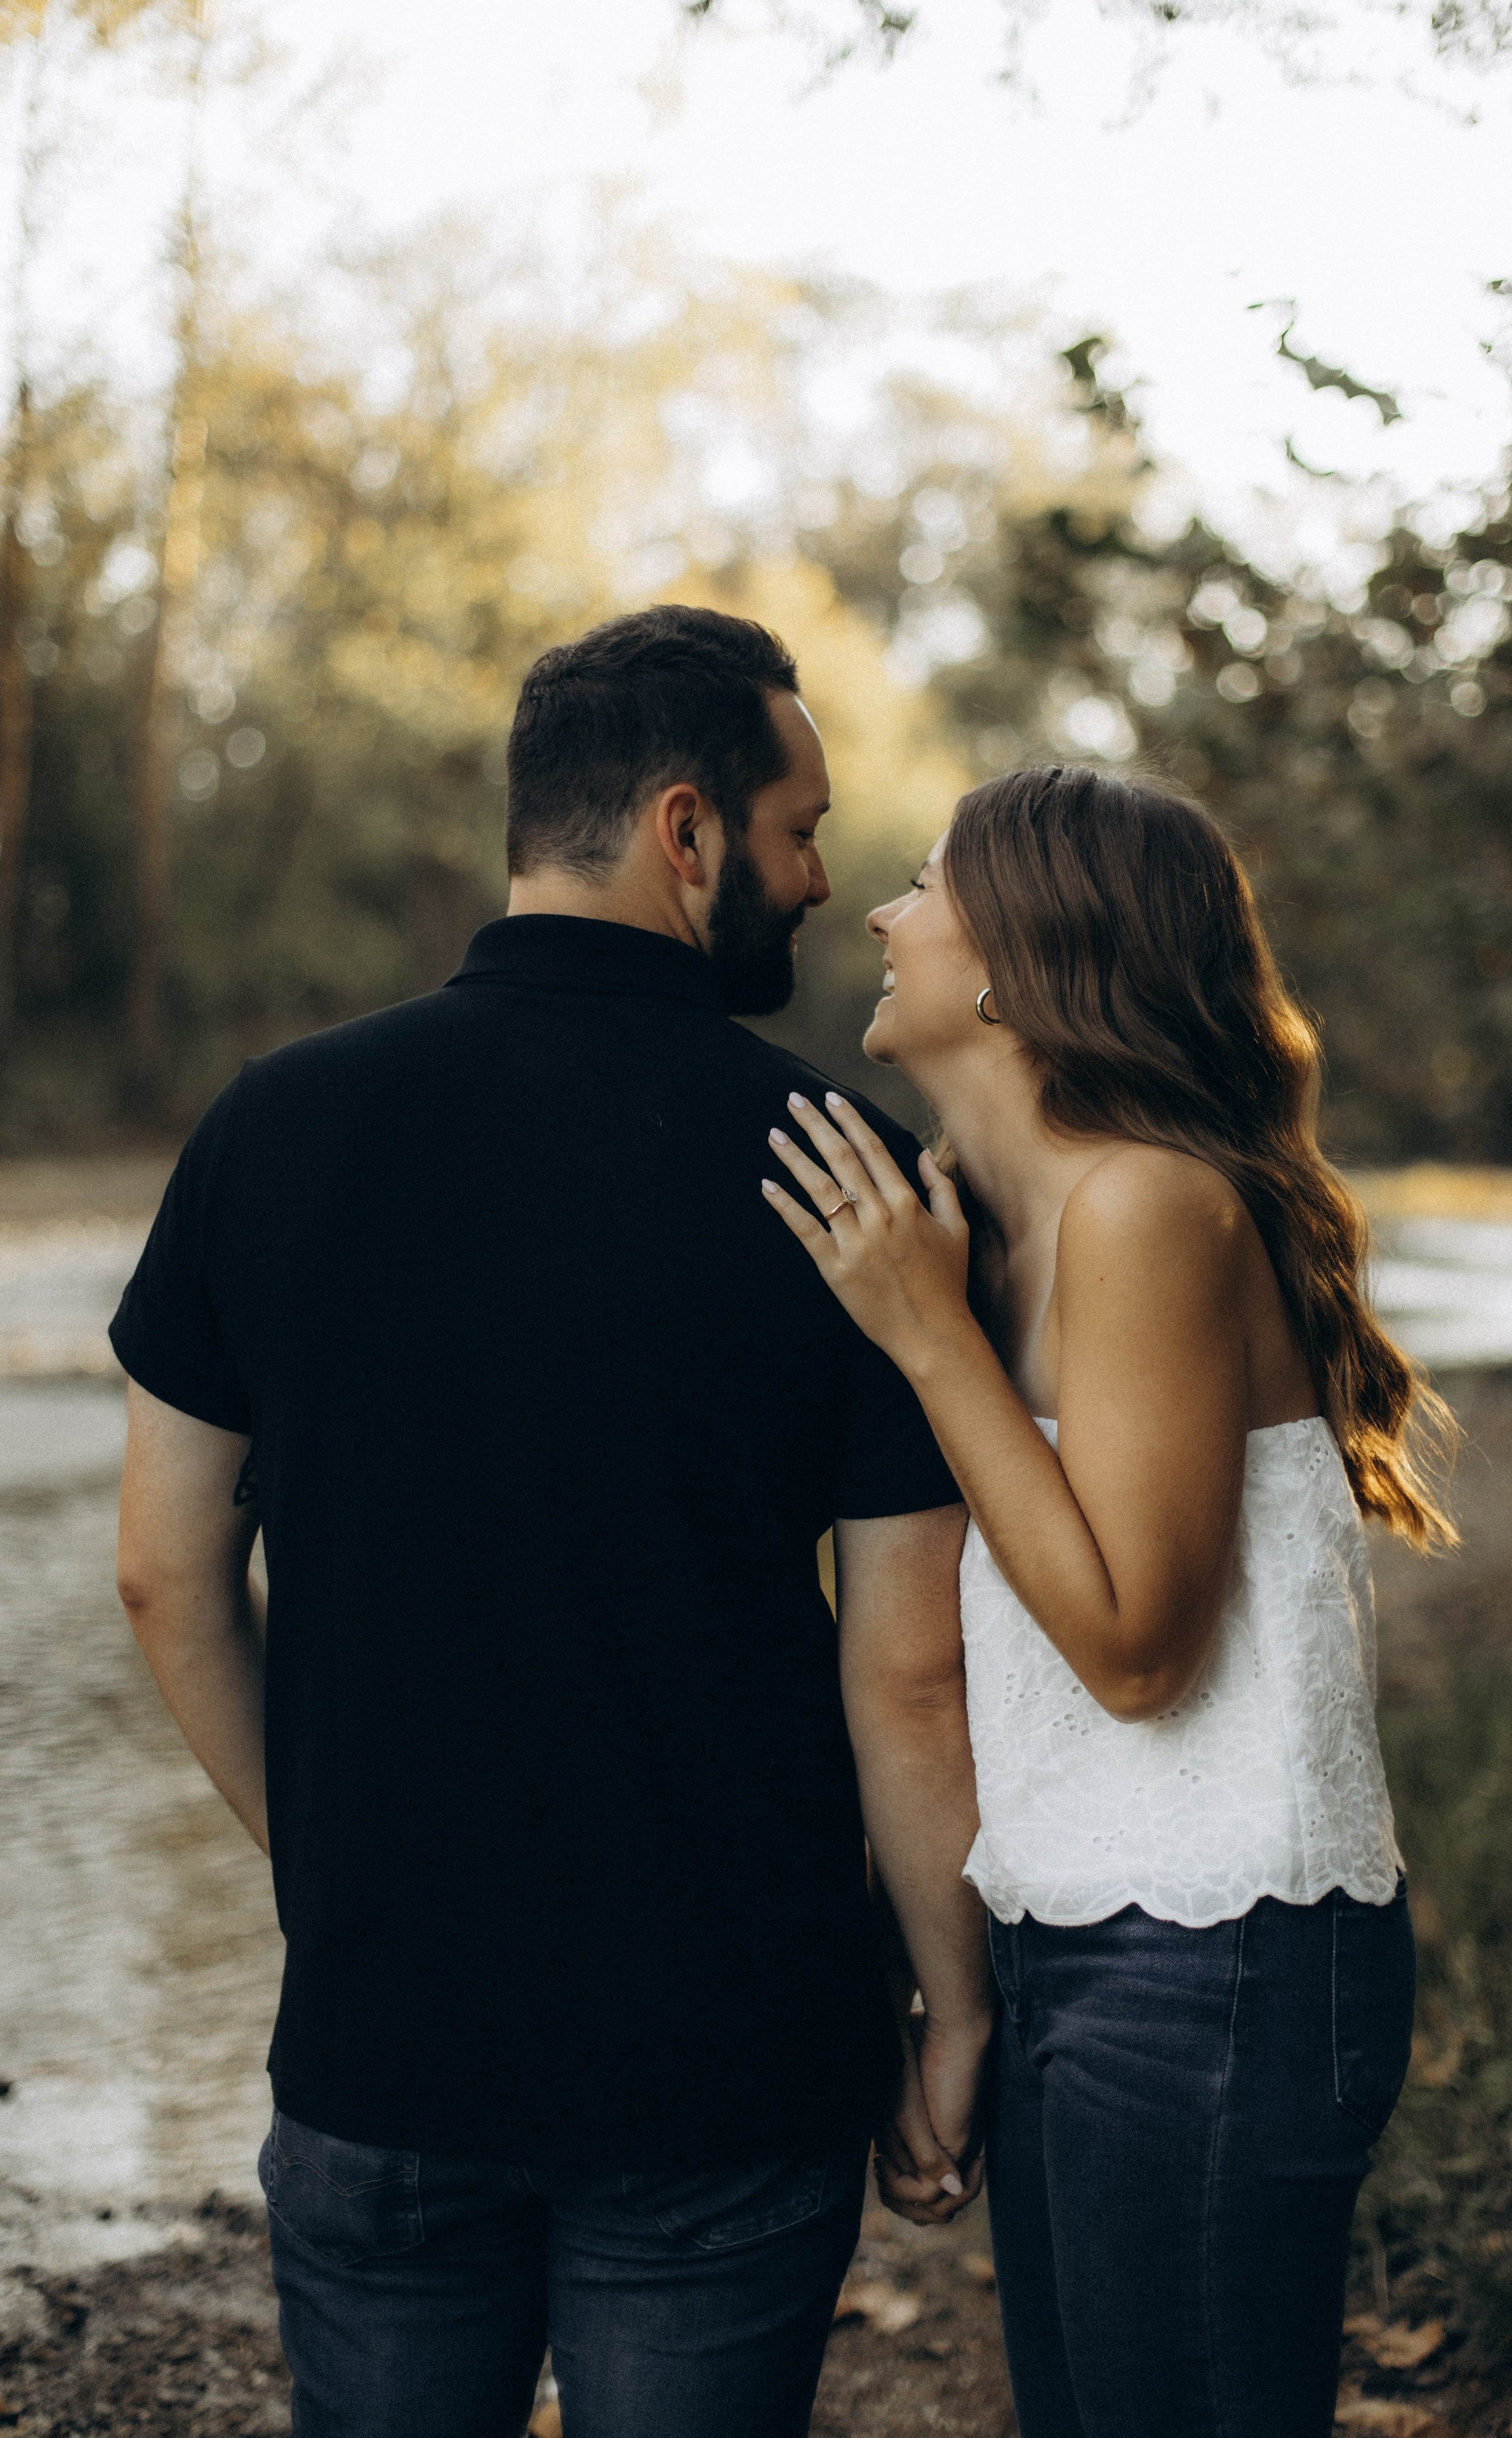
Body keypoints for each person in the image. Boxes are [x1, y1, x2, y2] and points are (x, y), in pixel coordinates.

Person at [110, 605, 990, 2438]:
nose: (822, 879)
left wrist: (337, 1872)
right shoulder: (839, 1168)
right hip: (724, 2058)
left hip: (385, 2042)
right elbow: (905, 1665)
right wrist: (949, 2004)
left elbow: (162, 1573)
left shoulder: (272, 1127)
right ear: (686, 833)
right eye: (799, 827)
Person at [762, 764, 1454, 2438]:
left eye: (925, 883)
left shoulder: (1151, 1206)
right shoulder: (1002, 1234)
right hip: (1086, 1948)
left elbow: (1139, 1649)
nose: (880, 909)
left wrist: (925, 1340)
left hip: (1226, 1954)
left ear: (1015, 961)